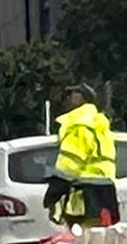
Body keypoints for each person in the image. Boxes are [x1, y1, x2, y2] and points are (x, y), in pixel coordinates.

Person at [44, 84, 119, 224]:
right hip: (105, 192)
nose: (67, 99)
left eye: (71, 95)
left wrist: (55, 191)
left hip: (85, 195)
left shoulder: (78, 124)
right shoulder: (99, 124)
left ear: (84, 99)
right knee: (101, 235)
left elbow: (70, 162)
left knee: (83, 235)